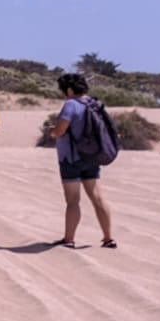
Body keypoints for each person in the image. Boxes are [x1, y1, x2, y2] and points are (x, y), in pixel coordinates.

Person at [50, 73, 116, 248]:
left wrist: (53, 132)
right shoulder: (95, 104)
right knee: (98, 198)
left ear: (70, 90)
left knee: (73, 201)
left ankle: (69, 239)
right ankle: (108, 238)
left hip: (70, 158)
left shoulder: (71, 105)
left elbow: (60, 130)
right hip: (92, 156)